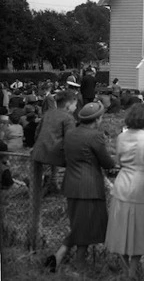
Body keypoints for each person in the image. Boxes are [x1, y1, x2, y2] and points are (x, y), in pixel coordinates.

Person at [45, 102, 115, 272]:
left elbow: (58, 151)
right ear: (97, 119)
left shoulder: (70, 134)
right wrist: (113, 162)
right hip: (89, 186)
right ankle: (78, 264)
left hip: (71, 184)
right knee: (87, 226)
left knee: (80, 224)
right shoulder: (95, 136)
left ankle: (59, 257)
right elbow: (107, 162)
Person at [105, 103, 144, 279]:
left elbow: (118, 161)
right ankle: (132, 271)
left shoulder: (122, 137)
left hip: (122, 183)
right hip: (141, 185)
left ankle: (125, 267)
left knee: (120, 227)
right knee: (139, 230)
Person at [32, 90, 78, 197]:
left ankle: (51, 183)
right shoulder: (68, 118)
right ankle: (64, 188)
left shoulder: (48, 113)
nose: (76, 108)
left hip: (39, 151)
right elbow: (70, 140)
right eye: (75, 105)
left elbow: (37, 133)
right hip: (54, 154)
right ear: (68, 105)